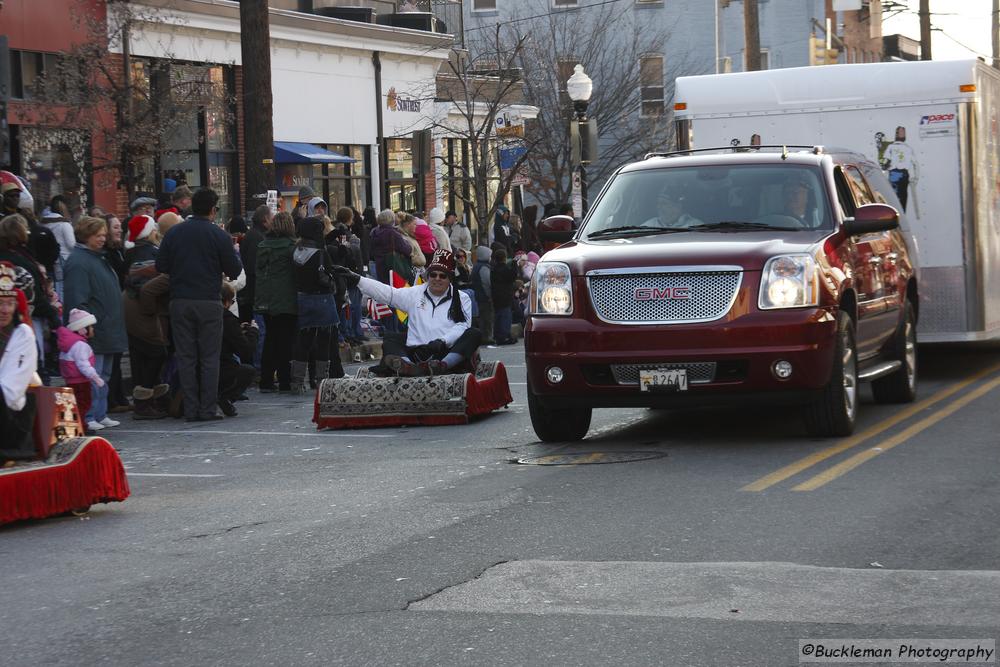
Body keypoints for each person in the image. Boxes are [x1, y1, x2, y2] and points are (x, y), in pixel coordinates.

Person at [155, 188, 243, 422]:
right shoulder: (218, 235)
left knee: (186, 356)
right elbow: (234, 270)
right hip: (208, 300)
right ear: (213, 209)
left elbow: (161, 265)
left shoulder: (174, 233)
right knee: (209, 357)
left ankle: (190, 408)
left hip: (180, 300)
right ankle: (207, 408)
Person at [340, 249, 480, 376]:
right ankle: (409, 367)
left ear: (450, 278)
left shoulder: (462, 298)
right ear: (428, 276)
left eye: (442, 276)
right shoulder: (415, 293)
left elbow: (462, 326)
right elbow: (388, 293)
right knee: (390, 338)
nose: (437, 279)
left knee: (473, 333)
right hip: (417, 352)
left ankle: (441, 366)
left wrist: (442, 341)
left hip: (445, 350)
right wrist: (358, 279)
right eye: (433, 274)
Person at [63, 216, 127, 429]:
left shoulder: (97, 258)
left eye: (103, 235)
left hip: (107, 325)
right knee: (93, 374)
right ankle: (89, 415)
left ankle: (100, 412)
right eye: (98, 235)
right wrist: (83, 325)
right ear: (86, 236)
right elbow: (77, 297)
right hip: (94, 328)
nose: (103, 239)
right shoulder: (79, 262)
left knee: (104, 374)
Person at [291, 217, 344, 393]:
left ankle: (297, 381)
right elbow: (328, 273)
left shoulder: (296, 251)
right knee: (324, 340)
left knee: (303, 341)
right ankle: (322, 381)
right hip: (323, 298)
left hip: (303, 298)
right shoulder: (321, 252)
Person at [254, 211, 298, 393]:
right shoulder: (292, 247)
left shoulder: (262, 245)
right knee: (286, 340)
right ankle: (285, 380)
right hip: (287, 299)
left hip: (266, 299)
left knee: (271, 339)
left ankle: (266, 379)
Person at [0, 262, 39, 463]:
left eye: (9, 303)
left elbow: (11, 390)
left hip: (10, 420)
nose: (4, 310)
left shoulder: (22, 335)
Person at [56, 308, 106, 433]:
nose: (93, 329)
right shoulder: (80, 345)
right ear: (83, 329)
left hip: (71, 380)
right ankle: (81, 427)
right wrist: (96, 377)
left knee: (73, 405)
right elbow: (83, 364)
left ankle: (74, 427)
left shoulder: (70, 343)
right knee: (82, 404)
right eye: (91, 327)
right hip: (81, 381)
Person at [218, 283, 258, 417]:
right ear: (227, 301)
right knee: (248, 371)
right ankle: (226, 397)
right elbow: (246, 350)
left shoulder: (206, 315)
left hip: (201, 364)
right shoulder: (228, 319)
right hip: (223, 367)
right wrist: (253, 332)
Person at [886, 125, 917, 211]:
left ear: (896, 135)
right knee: (903, 197)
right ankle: (902, 216)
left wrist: (886, 168)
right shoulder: (908, 148)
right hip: (904, 174)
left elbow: (886, 162)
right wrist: (915, 177)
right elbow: (916, 164)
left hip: (894, 174)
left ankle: (895, 215)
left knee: (894, 198)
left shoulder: (891, 147)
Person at [491, 248, 517, 345]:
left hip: (496, 296)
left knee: (498, 317)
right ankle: (504, 336)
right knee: (505, 317)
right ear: (504, 258)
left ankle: (498, 336)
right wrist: (515, 264)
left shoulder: (493, 269)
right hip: (505, 296)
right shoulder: (504, 269)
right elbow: (513, 275)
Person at [471, 245, 494, 345]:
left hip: (479, 296)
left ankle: (485, 336)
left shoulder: (476, 266)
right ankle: (487, 337)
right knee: (487, 318)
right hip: (484, 297)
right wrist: (490, 295)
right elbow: (487, 283)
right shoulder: (484, 268)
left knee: (484, 318)